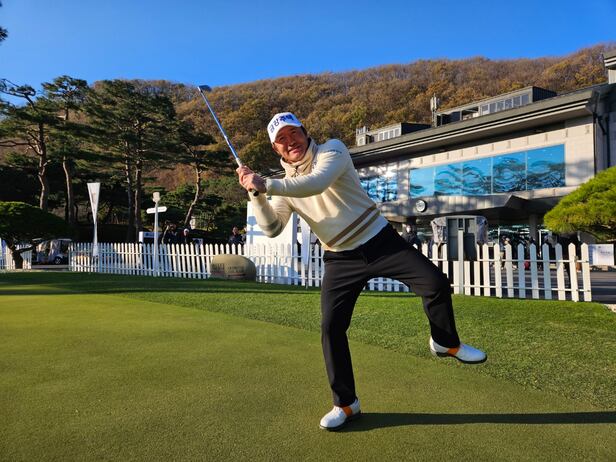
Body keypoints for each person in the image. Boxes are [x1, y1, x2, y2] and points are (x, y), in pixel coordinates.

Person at [236, 112, 486, 431]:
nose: (290, 142)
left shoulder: (332, 150)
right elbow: (273, 228)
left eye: (293, 133)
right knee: (331, 328)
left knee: (435, 283)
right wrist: (257, 194)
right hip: (340, 258)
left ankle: (445, 342)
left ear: (304, 131)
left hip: (379, 240)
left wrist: (267, 184)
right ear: (276, 149)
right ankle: (346, 404)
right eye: (281, 140)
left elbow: (316, 183)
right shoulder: (282, 186)